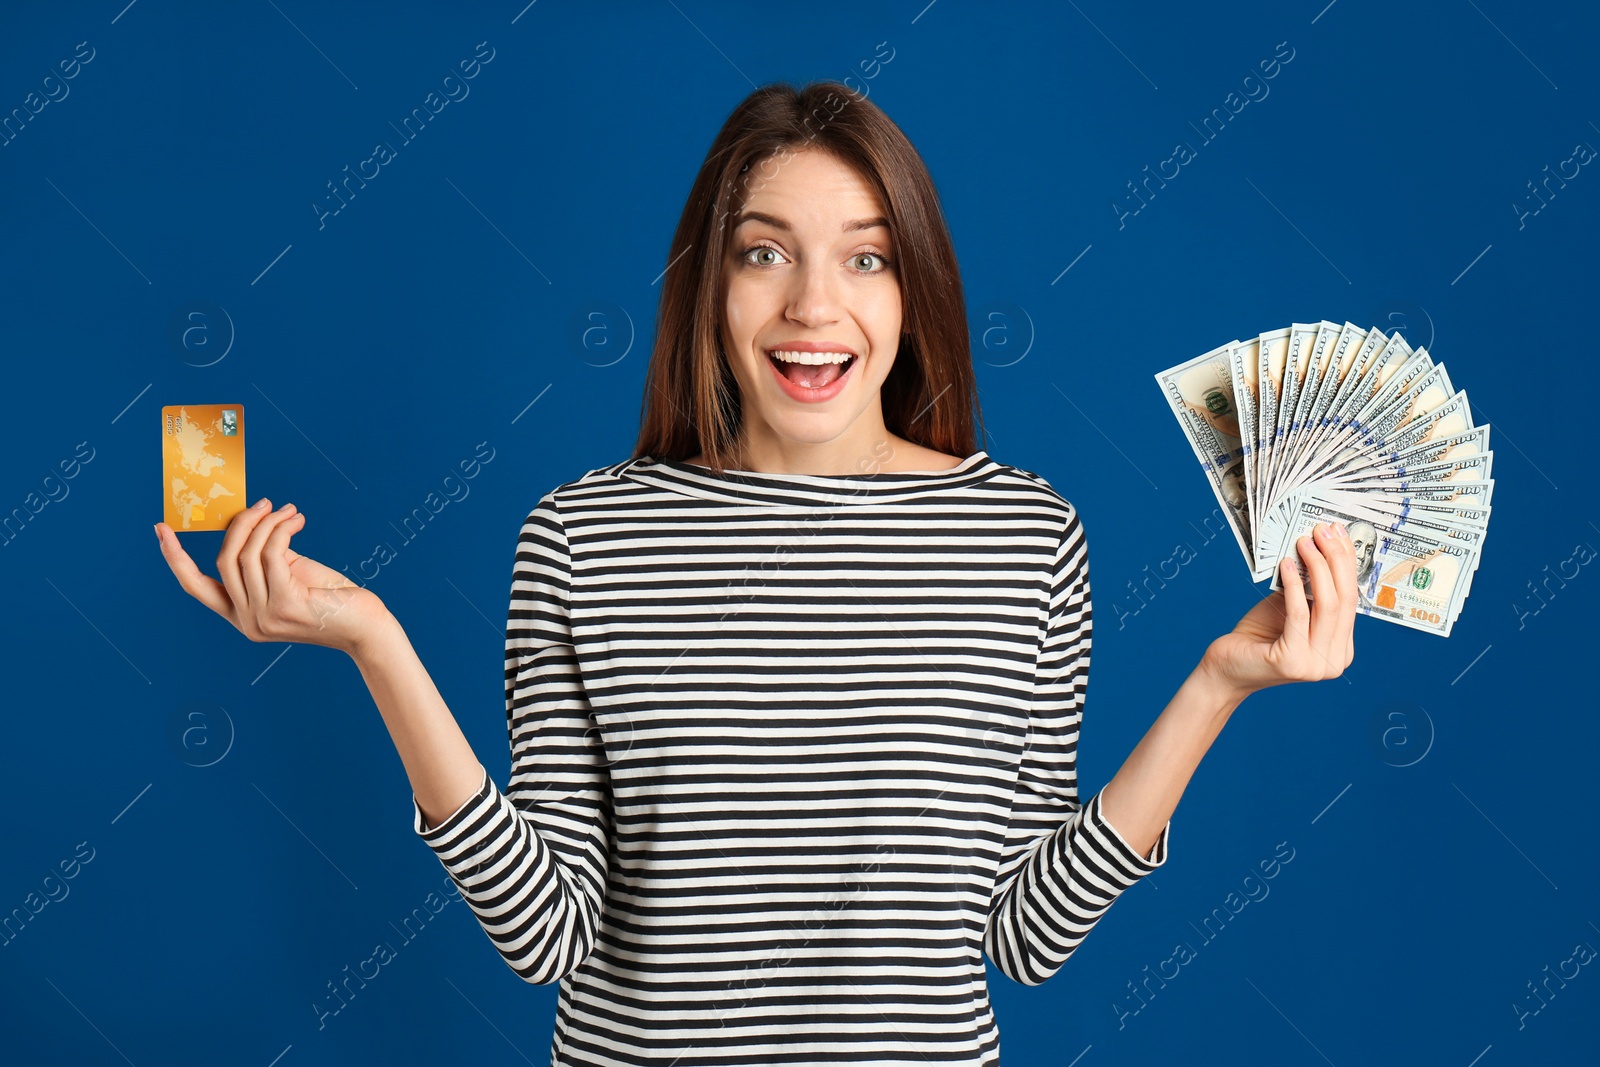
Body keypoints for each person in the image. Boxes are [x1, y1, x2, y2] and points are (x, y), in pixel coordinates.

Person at [153, 80, 1358, 1067]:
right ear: (710, 284)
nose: (813, 306)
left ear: (915, 286)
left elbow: (1023, 930)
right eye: (765, 252)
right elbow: (550, 932)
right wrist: (378, 642)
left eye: (867, 260)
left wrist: (1216, 683)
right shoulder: (583, 537)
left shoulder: (1023, 535)